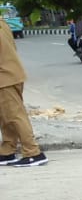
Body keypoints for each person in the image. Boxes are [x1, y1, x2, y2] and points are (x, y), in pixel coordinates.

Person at [0, 18, 47, 168]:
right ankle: (8, 150)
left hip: (4, 77)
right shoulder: (2, 22)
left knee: (15, 115)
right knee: (6, 115)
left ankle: (33, 153)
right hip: (11, 73)